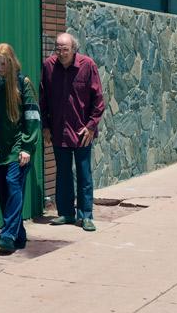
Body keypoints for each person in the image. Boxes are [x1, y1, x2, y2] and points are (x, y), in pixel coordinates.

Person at [40, 32, 105, 231]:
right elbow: (43, 99)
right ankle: (66, 213)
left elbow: (99, 101)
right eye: (57, 49)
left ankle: (85, 215)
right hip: (59, 131)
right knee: (63, 174)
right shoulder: (49, 66)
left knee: (84, 174)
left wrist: (91, 126)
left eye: (64, 49)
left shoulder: (88, 65)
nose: (60, 53)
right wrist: (46, 127)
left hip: (82, 132)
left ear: (73, 49)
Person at [0, 43, 40, 253]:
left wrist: (27, 147)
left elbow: (33, 117)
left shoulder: (23, 84)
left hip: (18, 145)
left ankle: (7, 235)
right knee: (2, 189)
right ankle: (19, 234)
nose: (0, 68)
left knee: (12, 182)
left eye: (3, 64)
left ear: (11, 62)